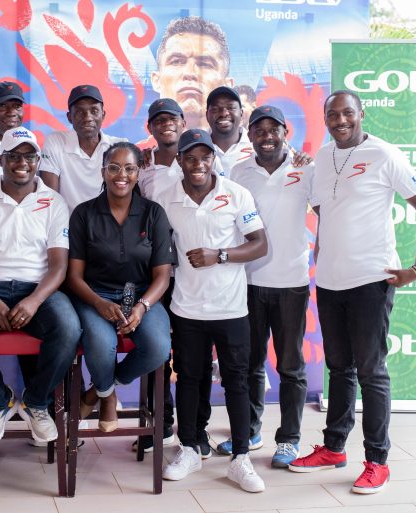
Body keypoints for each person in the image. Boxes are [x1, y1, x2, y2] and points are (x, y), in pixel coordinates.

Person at [289, 91, 416, 494]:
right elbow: (325, 209)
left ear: (361, 113)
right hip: (330, 281)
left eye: (347, 113)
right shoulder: (323, 157)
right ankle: (334, 448)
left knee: (371, 371)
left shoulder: (384, 154)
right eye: (332, 115)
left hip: (371, 280)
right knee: (339, 368)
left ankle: (377, 461)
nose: (340, 121)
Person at [0, 127, 81, 445]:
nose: (22, 163)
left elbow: (59, 265)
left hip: (38, 290)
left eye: (30, 156)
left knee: (68, 328)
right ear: (0, 159)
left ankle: (36, 402)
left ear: (38, 160)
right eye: (14, 156)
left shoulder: (54, 202)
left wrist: (34, 301)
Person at [156, 129, 267, 492]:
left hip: (231, 308)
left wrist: (219, 255)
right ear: (179, 161)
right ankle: (189, 448)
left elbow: (259, 245)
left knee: (237, 381)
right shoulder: (165, 197)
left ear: (213, 159)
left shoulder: (236, 194)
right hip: (186, 307)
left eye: (205, 157)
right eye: (190, 157)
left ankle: (240, 458)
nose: (198, 164)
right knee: (189, 379)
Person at [226, 106, 313, 467]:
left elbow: (328, 212)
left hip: (291, 282)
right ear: (250, 136)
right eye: (258, 130)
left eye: (273, 130)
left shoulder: (306, 168)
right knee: (249, 364)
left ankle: (289, 440)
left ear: (284, 132)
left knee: (290, 366)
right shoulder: (239, 172)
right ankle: (249, 432)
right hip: (249, 281)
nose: (266, 136)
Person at [67, 142, 173, 433]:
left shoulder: (153, 213)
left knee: (158, 347)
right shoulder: (84, 213)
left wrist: (142, 307)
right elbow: (73, 276)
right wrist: (99, 303)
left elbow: (163, 275)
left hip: (141, 295)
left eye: (129, 168)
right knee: (102, 345)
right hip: (94, 296)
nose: (121, 175)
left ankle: (99, 391)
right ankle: (108, 398)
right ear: (103, 171)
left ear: (138, 173)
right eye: (113, 168)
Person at [131, 98, 185, 454]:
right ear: (150, 127)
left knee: (190, 352)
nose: (166, 124)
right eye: (158, 120)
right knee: (157, 350)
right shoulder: (143, 166)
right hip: (155, 272)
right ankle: (160, 425)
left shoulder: (200, 157)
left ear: (183, 123)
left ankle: (193, 429)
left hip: (194, 271)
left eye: (172, 118)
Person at [39, 84, 126, 212]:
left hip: (108, 222)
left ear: (103, 115)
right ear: (69, 117)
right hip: (67, 222)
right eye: (80, 112)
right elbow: (50, 198)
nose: (88, 118)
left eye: (94, 111)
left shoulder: (120, 146)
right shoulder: (56, 142)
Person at [151, 16, 232, 133]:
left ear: (227, 87)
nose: (190, 73)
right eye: (176, 61)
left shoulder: (250, 145)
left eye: (205, 64)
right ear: (156, 80)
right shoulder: (133, 147)